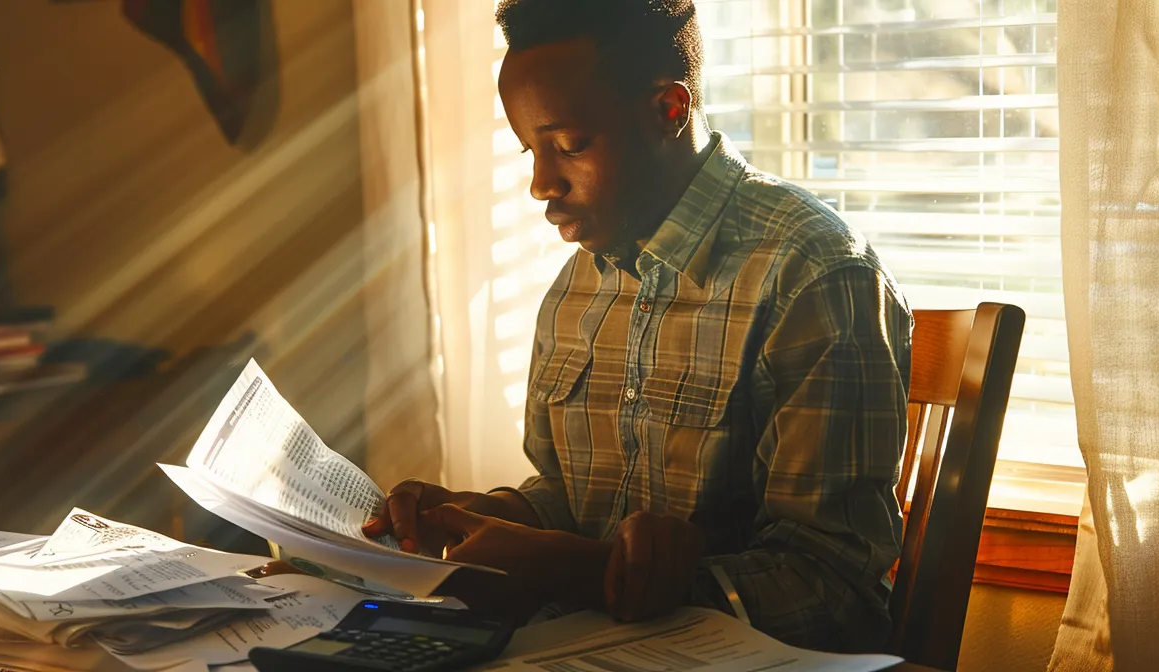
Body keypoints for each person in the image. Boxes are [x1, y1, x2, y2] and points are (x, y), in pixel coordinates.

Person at [362, 0, 913, 653]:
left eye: (567, 145)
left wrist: (590, 574)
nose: (540, 183)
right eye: (530, 150)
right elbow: (569, 499)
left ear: (669, 110)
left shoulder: (813, 276)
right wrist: (484, 516)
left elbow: (836, 592)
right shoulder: (576, 289)